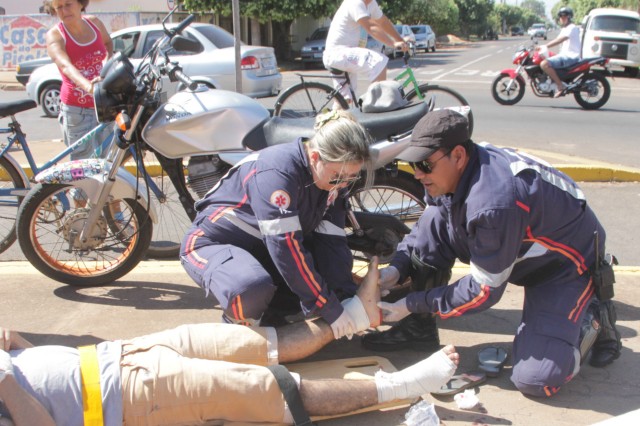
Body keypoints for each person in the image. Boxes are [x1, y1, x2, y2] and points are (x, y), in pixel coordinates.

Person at [361, 109, 622, 398]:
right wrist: (396, 268)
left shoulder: (493, 203)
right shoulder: (455, 171)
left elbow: (484, 292)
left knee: (537, 380)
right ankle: (418, 331)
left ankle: (591, 317)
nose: (418, 173)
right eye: (413, 164)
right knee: (436, 217)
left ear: (458, 156)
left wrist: (412, 303)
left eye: (424, 164)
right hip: (522, 245)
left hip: (562, 265)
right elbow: (429, 226)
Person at [0, 264, 460, 425]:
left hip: (116, 355)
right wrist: (5, 379)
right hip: (124, 398)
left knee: (248, 344)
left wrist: (14, 348)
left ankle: (356, 318)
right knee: (263, 388)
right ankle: (401, 386)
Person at [181, 110, 374, 337]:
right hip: (212, 244)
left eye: (351, 178)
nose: (343, 185)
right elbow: (286, 247)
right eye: (339, 177)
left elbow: (332, 245)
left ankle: (272, 319)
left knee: (311, 285)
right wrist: (328, 307)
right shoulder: (277, 172)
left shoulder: (332, 180)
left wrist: (345, 299)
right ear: (315, 158)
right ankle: (233, 338)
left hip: (262, 250)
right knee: (250, 287)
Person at [45, 0, 113, 159]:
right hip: (78, 110)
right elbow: (65, 66)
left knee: (109, 161)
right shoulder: (55, 35)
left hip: (104, 105)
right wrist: (89, 87)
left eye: (68, 4)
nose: (64, 10)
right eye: (59, 7)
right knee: (83, 166)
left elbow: (108, 43)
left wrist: (106, 63)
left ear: (80, 4)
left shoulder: (95, 23)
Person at [322, 0, 408, 105]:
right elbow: (371, 27)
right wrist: (393, 44)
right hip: (338, 53)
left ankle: (329, 119)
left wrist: (400, 40)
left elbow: (383, 22)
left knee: (345, 103)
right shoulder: (355, 2)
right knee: (378, 62)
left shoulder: (371, 4)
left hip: (346, 55)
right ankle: (377, 108)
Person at [536, 7, 581, 98]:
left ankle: (560, 86)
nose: (561, 18)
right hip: (565, 55)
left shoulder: (571, 28)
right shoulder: (565, 28)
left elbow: (560, 40)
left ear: (569, 17)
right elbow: (557, 39)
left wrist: (546, 46)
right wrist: (540, 47)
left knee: (544, 64)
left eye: (563, 16)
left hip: (570, 57)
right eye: (560, 16)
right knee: (545, 58)